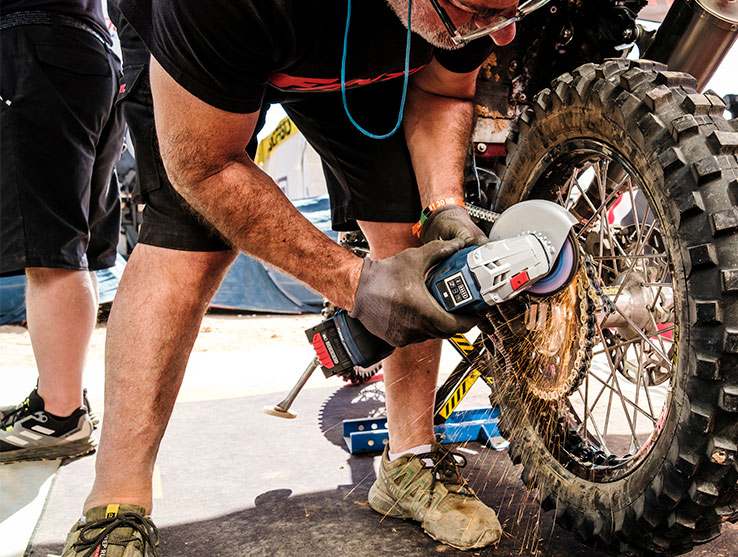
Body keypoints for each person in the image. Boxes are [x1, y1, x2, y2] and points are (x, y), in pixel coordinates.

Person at [60, 0, 539, 554]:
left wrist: (444, 206)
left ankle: (410, 464)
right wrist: (355, 284)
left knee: (409, 233)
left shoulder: (484, 12)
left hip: (365, 45)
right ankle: (114, 504)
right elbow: (205, 165)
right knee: (188, 241)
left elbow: (443, 92)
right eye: (484, 10)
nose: (503, 38)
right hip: (218, 50)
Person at [0, 1, 124, 464]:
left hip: (37, 40)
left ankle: (60, 416)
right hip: (94, 50)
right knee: (72, 248)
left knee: (50, 249)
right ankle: (60, 398)